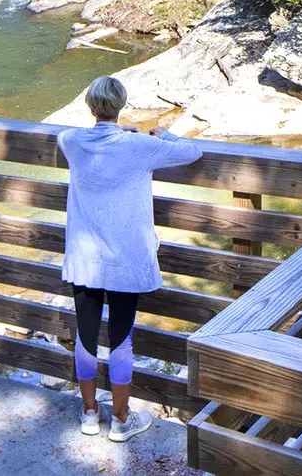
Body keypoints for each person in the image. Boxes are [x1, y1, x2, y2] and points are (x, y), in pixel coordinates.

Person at [58, 76, 201, 442]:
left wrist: (122, 130)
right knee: (122, 339)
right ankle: (121, 420)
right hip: (124, 259)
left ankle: (89, 414)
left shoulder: (71, 141)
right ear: (121, 105)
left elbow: (75, 138)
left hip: (85, 258)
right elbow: (192, 153)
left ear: (90, 107)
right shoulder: (139, 147)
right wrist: (161, 134)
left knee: (85, 336)